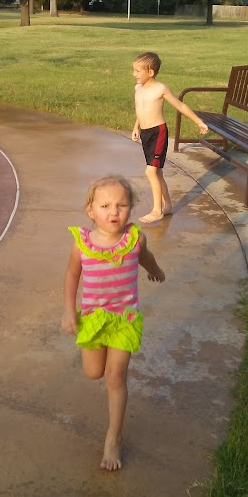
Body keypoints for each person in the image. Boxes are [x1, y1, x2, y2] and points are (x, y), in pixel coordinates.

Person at [61, 175, 165, 471]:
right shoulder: (81, 244)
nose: (114, 211)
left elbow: (146, 258)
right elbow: (71, 276)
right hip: (94, 319)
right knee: (94, 372)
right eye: (105, 205)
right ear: (91, 211)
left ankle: (113, 437)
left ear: (131, 208)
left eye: (121, 205)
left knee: (115, 377)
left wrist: (156, 270)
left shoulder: (134, 240)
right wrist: (69, 310)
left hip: (124, 319)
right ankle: (102, 372)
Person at [132, 51, 209, 223]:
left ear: (150, 72)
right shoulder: (138, 88)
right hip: (145, 133)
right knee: (157, 172)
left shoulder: (161, 89)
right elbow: (140, 110)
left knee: (150, 171)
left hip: (158, 133)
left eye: (138, 71)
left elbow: (180, 105)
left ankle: (156, 210)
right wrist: (136, 127)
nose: (134, 74)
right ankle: (167, 206)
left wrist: (199, 121)